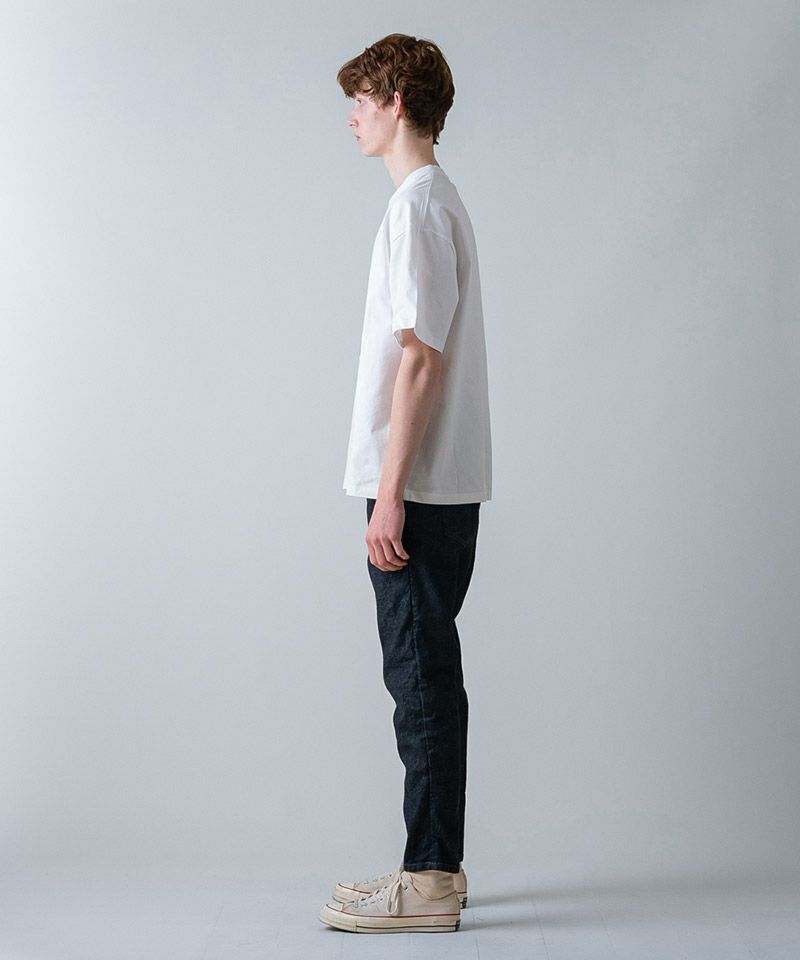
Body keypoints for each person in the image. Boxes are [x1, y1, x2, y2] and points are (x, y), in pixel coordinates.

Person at [319, 33, 492, 935]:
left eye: (362, 99)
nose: (351, 116)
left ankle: (427, 881)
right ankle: (436, 867)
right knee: (427, 675)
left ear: (397, 103)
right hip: (431, 483)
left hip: (416, 490)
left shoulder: (418, 207)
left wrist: (389, 494)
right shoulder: (431, 202)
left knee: (419, 681)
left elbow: (420, 359)